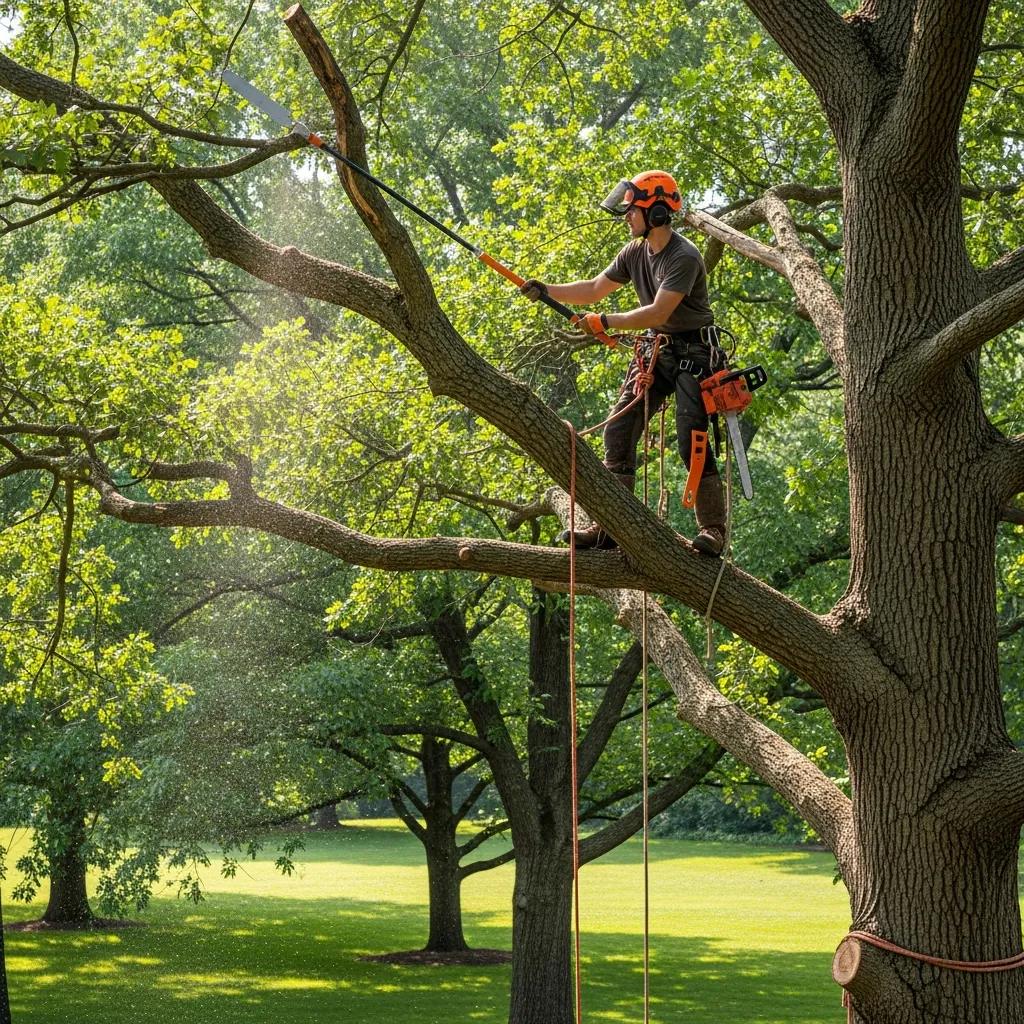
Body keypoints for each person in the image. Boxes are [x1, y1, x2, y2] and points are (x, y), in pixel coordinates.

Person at [520, 170, 727, 556]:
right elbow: (595, 289)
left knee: (690, 440)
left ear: (659, 213)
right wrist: (547, 289)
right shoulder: (634, 252)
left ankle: (713, 528)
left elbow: (657, 311)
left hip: (694, 355)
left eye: (633, 211)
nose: (627, 218)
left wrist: (607, 321)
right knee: (617, 431)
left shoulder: (684, 256)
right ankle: (610, 528)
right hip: (656, 351)